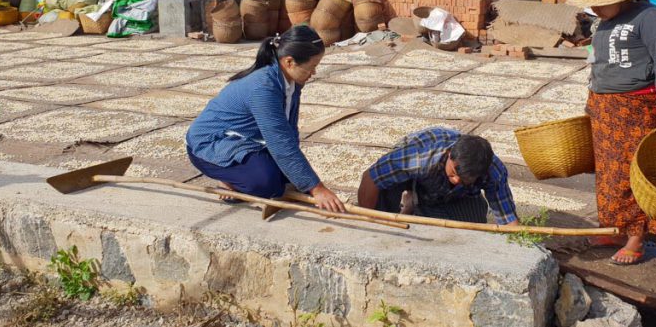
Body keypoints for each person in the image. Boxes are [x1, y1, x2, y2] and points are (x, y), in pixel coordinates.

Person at [573, 0, 656, 266]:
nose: (595, 9)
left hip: (635, 108)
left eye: (600, 2)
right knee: (609, 175)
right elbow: (598, 65)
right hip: (605, 109)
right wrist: (591, 101)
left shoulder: (649, 17)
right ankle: (615, 229)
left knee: (633, 174)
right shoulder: (604, 23)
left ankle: (636, 238)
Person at [185, 26, 345, 213]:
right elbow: (280, 142)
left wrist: (305, 182)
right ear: (289, 62)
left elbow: (288, 131)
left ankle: (242, 175)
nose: (314, 73)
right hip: (209, 144)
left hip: (246, 140)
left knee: (288, 177)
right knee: (266, 184)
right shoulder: (263, 88)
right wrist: (317, 189)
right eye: (311, 67)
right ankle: (229, 180)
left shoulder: (291, 82)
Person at [357, 127, 519, 225]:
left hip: (440, 189)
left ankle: (413, 203)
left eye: (464, 179)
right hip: (415, 170)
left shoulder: (493, 171)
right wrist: (369, 220)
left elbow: (507, 218)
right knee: (382, 206)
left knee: (468, 228)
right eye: (454, 173)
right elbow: (371, 178)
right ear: (449, 154)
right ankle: (410, 199)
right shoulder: (418, 157)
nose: (456, 180)